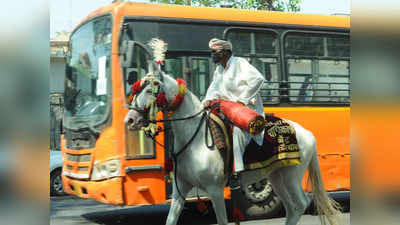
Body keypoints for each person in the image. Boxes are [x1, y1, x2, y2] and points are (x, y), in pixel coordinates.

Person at [203, 38, 266, 186]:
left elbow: (258, 79)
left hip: (246, 110)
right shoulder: (219, 70)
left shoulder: (240, 63)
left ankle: (236, 172)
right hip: (226, 109)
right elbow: (214, 89)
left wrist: (242, 100)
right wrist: (206, 101)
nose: (213, 55)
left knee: (237, 130)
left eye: (215, 52)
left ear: (225, 52)